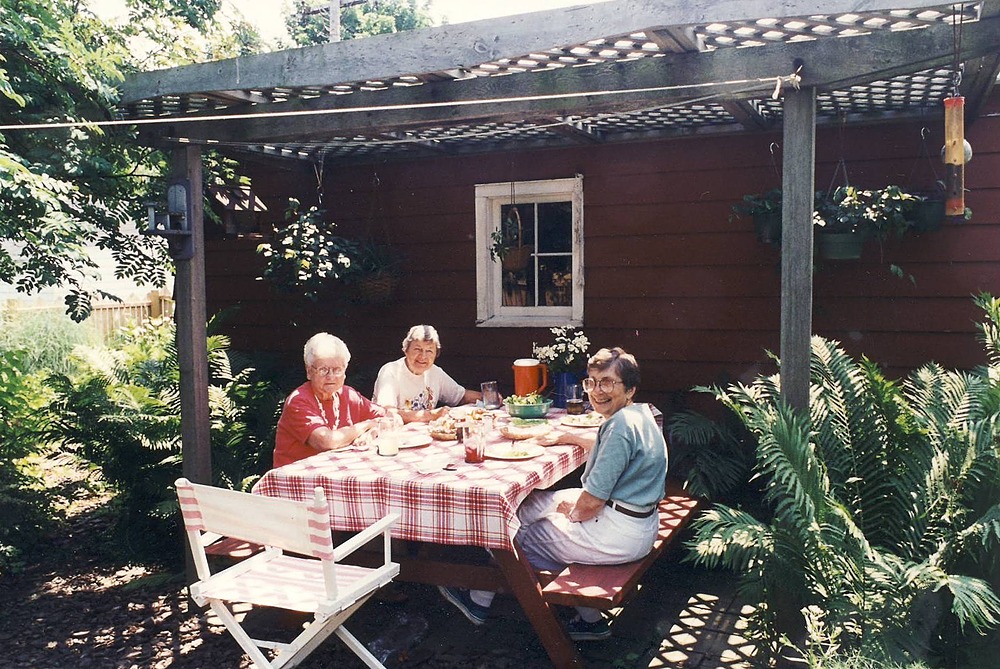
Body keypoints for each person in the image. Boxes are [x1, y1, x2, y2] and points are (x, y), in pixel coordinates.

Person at [438, 347, 667, 641]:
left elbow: (590, 503)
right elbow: (604, 447)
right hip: (637, 522)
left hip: (618, 533)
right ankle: (590, 622)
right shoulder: (637, 413)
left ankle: (478, 599)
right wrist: (564, 437)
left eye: (608, 382)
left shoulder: (619, 428)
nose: (597, 391)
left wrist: (571, 515)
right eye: (592, 382)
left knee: (510, 534)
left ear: (630, 388)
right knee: (534, 503)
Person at [272, 332, 385, 468]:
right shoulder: (298, 401)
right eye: (323, 370)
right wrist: (368, 425)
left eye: (337, 369)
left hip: (336, 473)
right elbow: (327, 442)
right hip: (296, 480)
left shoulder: (348, 394)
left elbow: (388, 417)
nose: (331, 376)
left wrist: (372, 432)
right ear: (309, 372)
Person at [372, 324, 481, 423]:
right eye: (417, 349)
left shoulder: (434, 372)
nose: (423, 356)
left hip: (425, 437)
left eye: (429, 351)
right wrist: (432, 415)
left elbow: (461, 396)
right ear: (405, 350)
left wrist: (489, 397)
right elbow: (387, 412)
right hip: (393, 436)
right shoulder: (391, 371)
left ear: (435, 355)